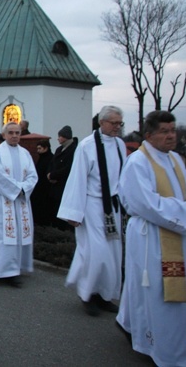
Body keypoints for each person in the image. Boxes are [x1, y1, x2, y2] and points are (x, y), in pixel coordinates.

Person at [116, 111, 186, 367]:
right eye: (164, 131)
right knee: (159, 295)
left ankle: (139, 331)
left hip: (177, 235)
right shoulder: (138, 162)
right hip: (151, 236)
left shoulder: (175, 159)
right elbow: (147, 205)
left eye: (173, 130)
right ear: (149, 135)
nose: (171, 135)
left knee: (153, 293)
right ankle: (164, 351)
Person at [57, 105, 126, 316]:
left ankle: (104, 295)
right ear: (101, 122)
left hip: (112, 206)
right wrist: (74, 213)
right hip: (92, 205)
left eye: (119, 123)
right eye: (113, 123)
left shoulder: (120, 145)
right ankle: (87, 294)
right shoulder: (87, 146)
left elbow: (123, 177)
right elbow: (77, 179)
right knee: (96, 252)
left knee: (113, 253)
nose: (117, 127)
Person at [0, 122, 37, 287]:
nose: (15, 135)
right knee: (3, 237)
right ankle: (2, 271)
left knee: (20, 235)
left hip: (20, 202)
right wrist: (18, 189)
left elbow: (32, 175)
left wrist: (23, 188)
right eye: (11, 133)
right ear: (4, 135)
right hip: (3, 203)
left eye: (17, 132)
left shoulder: (25, 153)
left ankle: (16, 269)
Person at [48, 125, 78, 229]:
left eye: (60, 136)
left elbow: (68, 168)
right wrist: (50, 174)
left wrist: (54, 175)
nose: (58, 138)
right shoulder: (59, 149)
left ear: (66, 137)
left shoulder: (74, 150)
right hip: (54, 184)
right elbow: (52, 164)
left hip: (63, 185)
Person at [31, 139, 53, 226]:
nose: (38, 151)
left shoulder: (49, 159)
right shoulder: (42, 158)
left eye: (39, 148)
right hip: (39, 188)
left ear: (45, 148)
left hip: (44, 189)